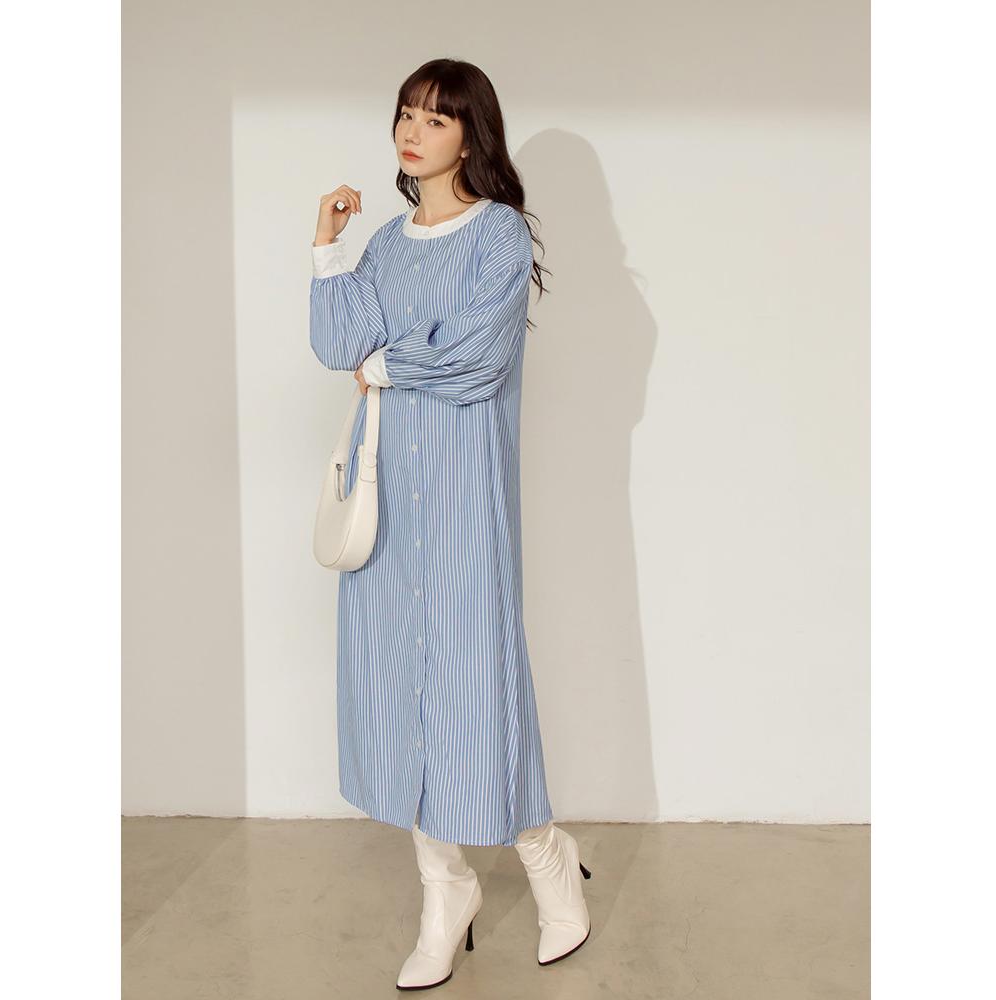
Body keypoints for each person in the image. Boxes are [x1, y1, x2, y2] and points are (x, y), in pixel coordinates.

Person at [309, 58, 592, 990]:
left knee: (478, 684)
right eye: (405, 113)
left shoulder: (499, 233)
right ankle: (445, 890)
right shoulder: (386, 244)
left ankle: (546, 856)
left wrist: (390, 364)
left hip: (466, 492)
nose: (412, 130)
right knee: (399, 681)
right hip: (389, 489)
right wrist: (328, 250)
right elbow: (336, 343)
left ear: (471, 134)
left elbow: (476, 360)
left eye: (435, 118)